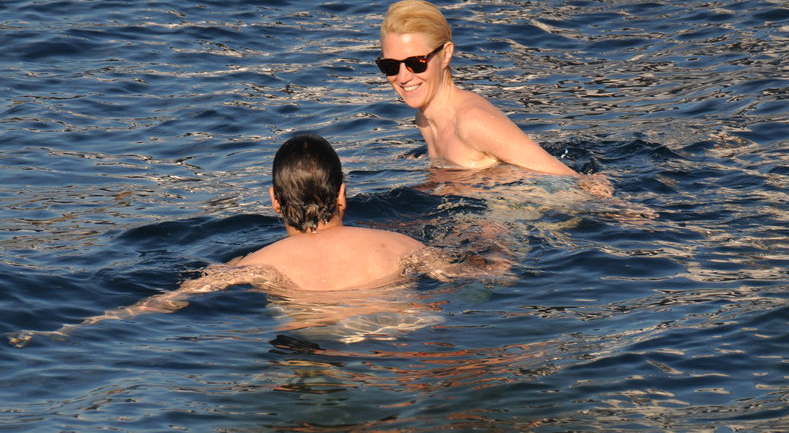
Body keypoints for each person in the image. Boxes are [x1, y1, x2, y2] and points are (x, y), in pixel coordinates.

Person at [8, 134, 509, 347]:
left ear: (273, 200)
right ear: (343, 195)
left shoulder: (257, 265)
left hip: (315, 347)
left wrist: (72, 330)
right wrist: (497, 240)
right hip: (403, 337)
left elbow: (163, 303)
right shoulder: (398, 246)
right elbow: (486, 277)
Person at [377, 0, 613, 197]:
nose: (403, 77)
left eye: (416, 63)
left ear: (446, 54)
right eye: (390, 66)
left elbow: (572, 179)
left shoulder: (472, 121)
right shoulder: (424, 119)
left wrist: (622, 213)